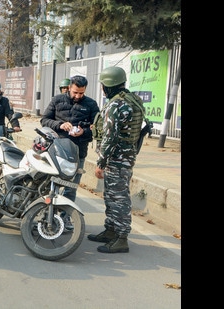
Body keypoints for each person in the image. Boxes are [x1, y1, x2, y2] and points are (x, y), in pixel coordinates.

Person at [88, 66, 145, 254]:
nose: (102, 88)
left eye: (103, 85)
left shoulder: (115, 105)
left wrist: (101, 163)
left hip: (116, 159)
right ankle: (111, 230)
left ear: (108, 86)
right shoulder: (133, 100)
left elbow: (110, 137)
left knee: (119, 199)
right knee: (111, 196)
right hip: (127, 156)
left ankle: (121, 238)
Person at [40, 75, 99, 229]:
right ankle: (45, 215)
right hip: (56, 150)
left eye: (81, 93)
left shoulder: (91, 104)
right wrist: (59, 125)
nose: (78, 96)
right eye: (75, 92)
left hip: (78, 152)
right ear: (69, 88)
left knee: (70, 188)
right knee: (50, 184)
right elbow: (44, 120)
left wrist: (84, 131)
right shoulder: (57, 100)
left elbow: (98, 129)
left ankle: (65, 218)